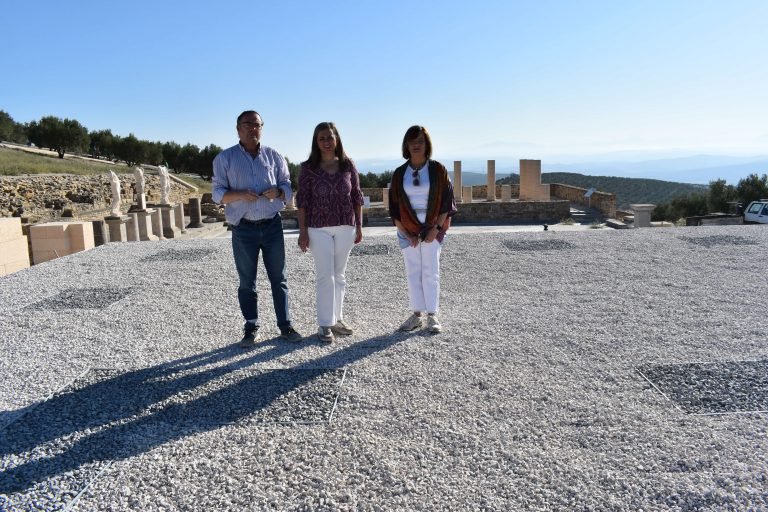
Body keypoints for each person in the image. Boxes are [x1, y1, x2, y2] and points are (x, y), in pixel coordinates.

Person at [212, 110, 303, 347]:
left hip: (272, 225)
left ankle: (285, 325)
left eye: (257, 124)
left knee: (279, 279)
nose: (252, 128)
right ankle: (250, 327)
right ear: (238, 128)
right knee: (246, 282)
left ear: (262, 128)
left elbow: (287, 185)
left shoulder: (275, 156)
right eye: (247, 124)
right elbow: (217, 193)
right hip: (243, 229)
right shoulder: (225, 159)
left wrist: (279, 191)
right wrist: (240, 194)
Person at [296, 122, 364, 343]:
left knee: (340, 275)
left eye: (330, 137)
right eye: (322, 138)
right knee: (325, 275)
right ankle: (325, 323)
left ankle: (337, 319)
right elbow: (302, 201)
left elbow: (356, 196)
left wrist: (359, 226)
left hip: (346, 225)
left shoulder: (347, 164)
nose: (326, 142)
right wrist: (303, 232)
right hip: (318, 228)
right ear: (316, 142)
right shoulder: (308, 168)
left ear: (337, 139)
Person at [388, 125, 457, 333]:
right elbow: (394, 208)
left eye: (420, 141)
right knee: (413, 272)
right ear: (406, 145)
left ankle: (432, 315)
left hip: (432, 228)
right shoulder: (400, 173)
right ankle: (416, 315)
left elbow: (446, 203)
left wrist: (436, 228)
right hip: (407, 230)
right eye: (412, 141)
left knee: (430, 271)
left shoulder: (438, 170)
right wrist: (406, 232)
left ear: (427, 144)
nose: (416, 145)